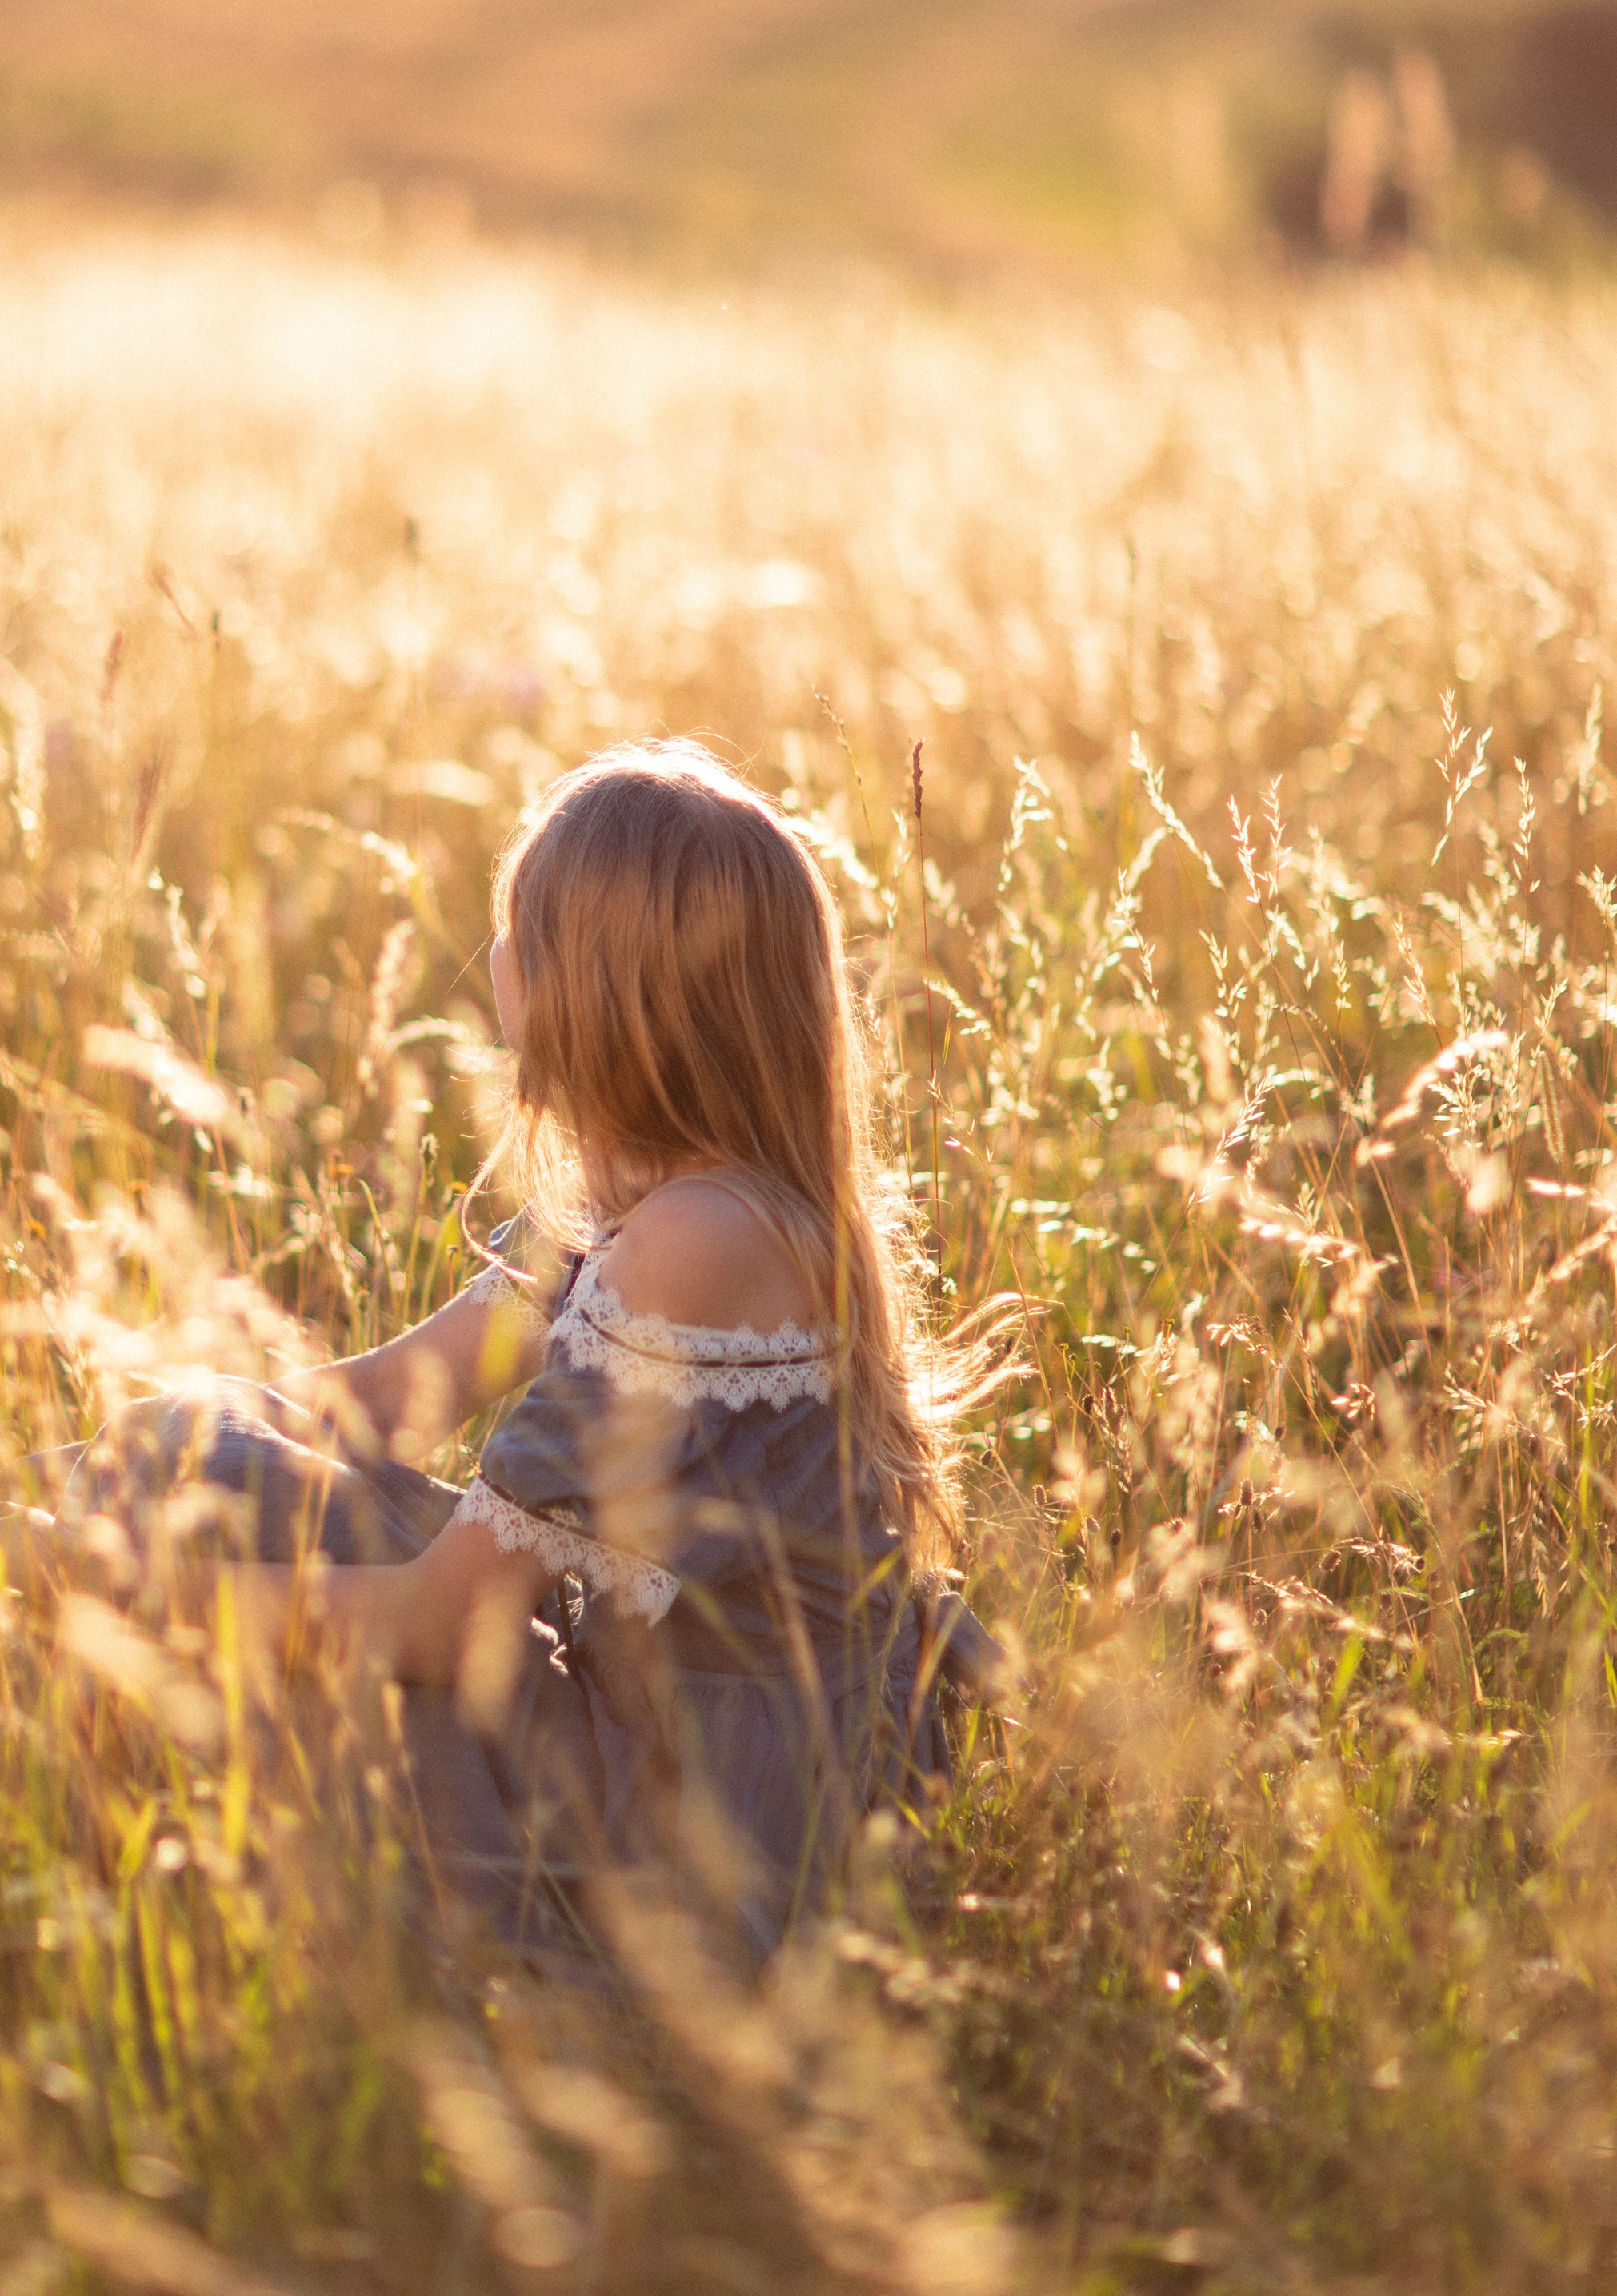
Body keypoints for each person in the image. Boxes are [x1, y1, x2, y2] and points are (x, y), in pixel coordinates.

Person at [75, 740, 1005, 1963]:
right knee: (200, 1458)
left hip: (727, 1808)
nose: (497, 960)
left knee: (296, 1669)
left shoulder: (698, 1240)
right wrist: (139, 1440)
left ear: (588, 990)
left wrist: (112, 1592)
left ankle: (121, 1893)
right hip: (649, 1698)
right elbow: (380, 1407)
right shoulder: (638, 1196)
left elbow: (432, 1620)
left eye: (519, 932)